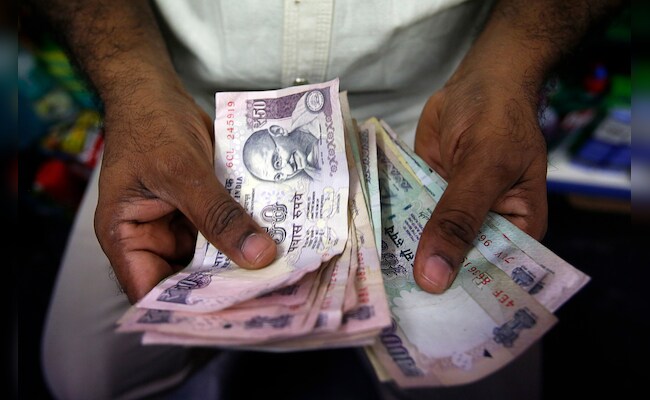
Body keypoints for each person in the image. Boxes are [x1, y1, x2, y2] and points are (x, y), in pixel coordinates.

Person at [34, 0, 624, 399]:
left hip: (434, 112)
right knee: (85, 380)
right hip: (185, 115)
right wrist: (132, 91)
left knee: (477, 375)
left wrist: (512, 70)